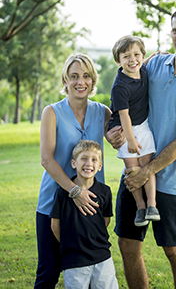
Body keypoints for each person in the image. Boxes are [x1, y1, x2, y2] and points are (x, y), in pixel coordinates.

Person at [107, 7, 176, 289]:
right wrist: (112, 130)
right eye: (175, 31)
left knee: (174, 250)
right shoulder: (154, 64)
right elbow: (123, 91)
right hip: (136, 173)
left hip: (169, 180)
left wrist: (148, 171)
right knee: (127, 244)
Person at [34, 53, 124, 289]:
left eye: (85, 76)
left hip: (91, 204)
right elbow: (46, 159)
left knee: (91, 272)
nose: (80, 82)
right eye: (74, 76)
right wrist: (75, 191)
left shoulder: (103, 112)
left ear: (93, 81)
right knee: (48, 272)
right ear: (65, 80)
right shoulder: (51, 112)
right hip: (54, 203)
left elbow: (116, 140)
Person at [50, 140, 119, 289]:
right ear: (74, 163)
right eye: (84, 158)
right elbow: (55, 225)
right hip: (74, 259)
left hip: (102, 257)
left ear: (100, 166)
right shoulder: (62, 193)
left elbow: (105, 221)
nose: (89, 163)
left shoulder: (105, 192)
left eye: (94, 160)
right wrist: (70, 243)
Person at [108, 35, 160, 227]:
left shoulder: (143, 71)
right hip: (124, 129)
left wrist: (153, 56)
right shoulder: (120, 86)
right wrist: (130, 139)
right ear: (118, 61)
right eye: (126, 56)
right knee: (132, 169)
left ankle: (152, 205)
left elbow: (143, 63)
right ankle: (140, 207)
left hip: (143, 125)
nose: (132, 60)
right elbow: (124, 116)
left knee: (146, 165)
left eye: (136, 55)